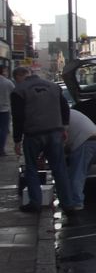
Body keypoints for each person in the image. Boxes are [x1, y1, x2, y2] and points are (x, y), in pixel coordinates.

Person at [11, 67, 71, 213]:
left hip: (33, 134)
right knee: (59, 169)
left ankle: (35, 203)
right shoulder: (54, 86)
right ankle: (68, 204)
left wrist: (17, 140)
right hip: (55, 132)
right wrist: (64, 128)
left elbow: (17, 117)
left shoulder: (19, 90)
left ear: (19, 76)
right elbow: (65, 109)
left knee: (31, 168)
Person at [65, 109, 96, 211]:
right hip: (94, 138)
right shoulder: (68, 111)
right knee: (80, 172)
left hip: (84, 140)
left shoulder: (56, 115)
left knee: (77, 173)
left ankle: (76, 202)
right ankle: (75, 198)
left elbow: (60, 140)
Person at [0, 67, 16, 155]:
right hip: (4, 110)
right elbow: (14, 93)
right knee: (3, 130)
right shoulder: (7, 82)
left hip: (5, 109)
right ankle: (1, 149)